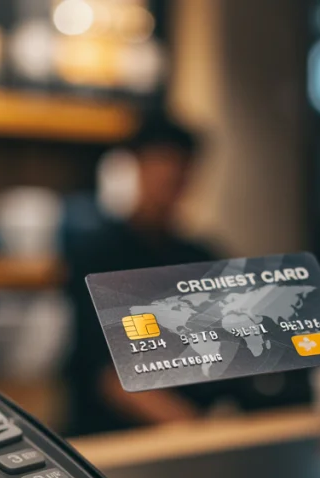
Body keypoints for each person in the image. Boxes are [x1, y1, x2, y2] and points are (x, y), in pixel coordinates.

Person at [63, 115, 227, 435]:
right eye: (161, 161)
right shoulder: (98, 255)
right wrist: (192, 426)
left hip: (190, 436)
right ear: (137, 166)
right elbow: (104, 374)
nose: (172, 173)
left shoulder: (202, 258)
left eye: (182, 164)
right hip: (115, 437)